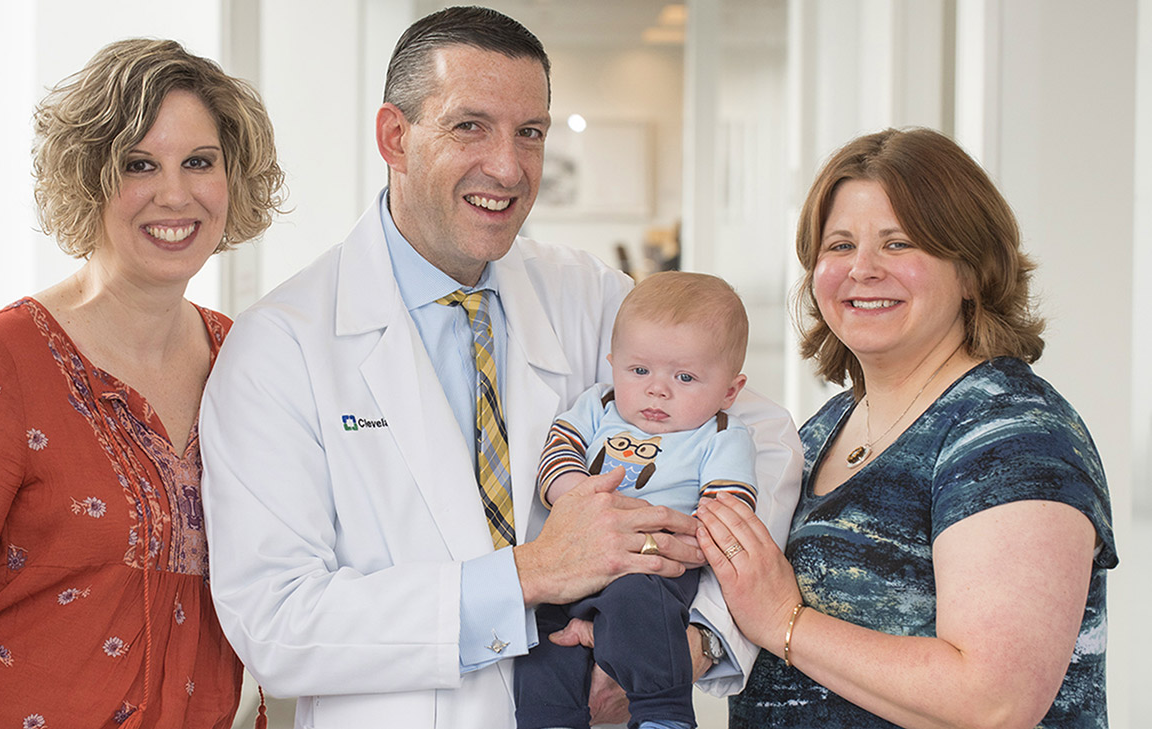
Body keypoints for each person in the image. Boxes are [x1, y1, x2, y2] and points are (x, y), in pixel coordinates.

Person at [199, 7, 801, 729]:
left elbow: (762, 433)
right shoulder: (282, 344)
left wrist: (693, 639)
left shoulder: (590, 294)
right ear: (395, 136)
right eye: (469, 126)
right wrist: (530, 574)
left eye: (531, 133)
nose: (509, 167)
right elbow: (278, 623)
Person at [0, 38, 283, 728]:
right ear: (89, 177)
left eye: (198, 162)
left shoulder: (249, 358)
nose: (174, 193)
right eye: (139, 164)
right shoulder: (1, 360)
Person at [694, 127, 1118, 729]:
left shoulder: (1013, 434)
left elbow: (993, 702)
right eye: (839, 245)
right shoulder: (819, 432)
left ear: (972, 271)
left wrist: (785, 621)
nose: (861, 270)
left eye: (898, 244)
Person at [514, 272, 789, 729]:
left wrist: (683, 544)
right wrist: (579, 500)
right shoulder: (597, 405)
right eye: (639, 371)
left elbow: (727, 512)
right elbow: (559, 452)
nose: (657, 389)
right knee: (541, 638)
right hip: (570, 559)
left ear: (730, 391)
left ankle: (665, 715)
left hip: (654, 568)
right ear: (612, 364)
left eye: (684, 376)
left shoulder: (721, 435)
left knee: (640, 616)